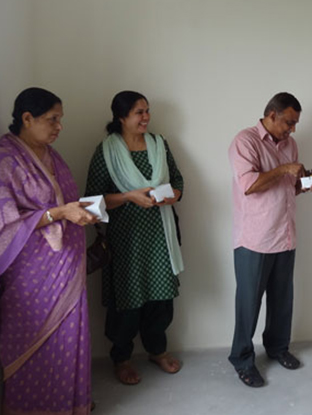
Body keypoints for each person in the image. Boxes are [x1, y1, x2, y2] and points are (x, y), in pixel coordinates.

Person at [0, 87, 96, 415]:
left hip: (67, 266)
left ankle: (66, 404)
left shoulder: (53, 155)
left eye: (60, 119)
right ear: (27, 118)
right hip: (29, 273)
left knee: (68, 339)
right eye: (52, 119)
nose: (59, 127)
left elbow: (63, 203)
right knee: (26, 339)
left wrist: (89, 206)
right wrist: (61, 213)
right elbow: (6, 221)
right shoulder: (5, 157)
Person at [85, 91, 184, 385]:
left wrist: (174, 194)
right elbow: (92, 201)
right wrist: (129, 197)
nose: (146, 118)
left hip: (160, 236)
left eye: (147, 111)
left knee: (161, 298)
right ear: (121, 117)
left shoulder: (159, 144)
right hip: (126, 238)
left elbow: (176, 180)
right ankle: (122, 358)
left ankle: (157, 350)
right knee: (126, 301)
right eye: (139, 112)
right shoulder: (106, 151)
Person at [228, 92, 312, 388]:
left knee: (282, 301)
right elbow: (249, 185)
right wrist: (284, 169)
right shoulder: (245, 141)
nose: (292, 129)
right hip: (255, 239)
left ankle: (278, 348)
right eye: (289, 122)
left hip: (284, 234)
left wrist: (304, 184)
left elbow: (287, 188)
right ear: (272, 115)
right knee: (248, 304)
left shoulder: (290, 144)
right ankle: (241, 359)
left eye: (295, 124)